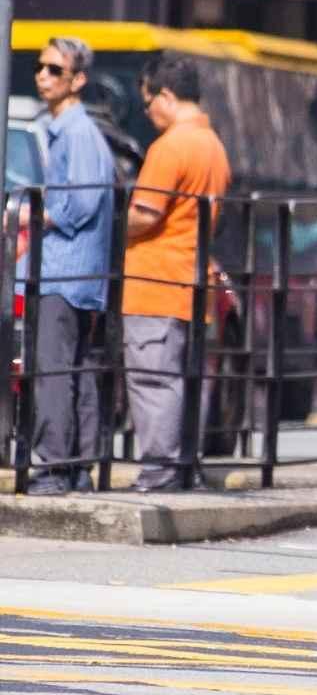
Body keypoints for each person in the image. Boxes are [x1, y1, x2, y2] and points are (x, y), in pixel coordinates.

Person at [122, 53, 231, 492]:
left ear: (165, 95)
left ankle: (160, 471)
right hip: (192, 279)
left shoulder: (170, 147)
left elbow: (146, 214)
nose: (148, 115)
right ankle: (184, 465)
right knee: (186, 381)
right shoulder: (213, 146)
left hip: (156, 279)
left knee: (153, 379)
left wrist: (116, 221)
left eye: (148, 104)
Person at [22, 36, 116, 495]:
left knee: (53, 370)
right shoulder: (70, 130)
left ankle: (55, 467)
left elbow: (80, 202)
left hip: (64, 271)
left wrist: (34, 214)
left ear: (77, 80)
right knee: (73, 368)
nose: (43, 75)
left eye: (54, 70)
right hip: (74, 272)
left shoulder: (77, 133)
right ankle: (77, 467)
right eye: (40, 67)